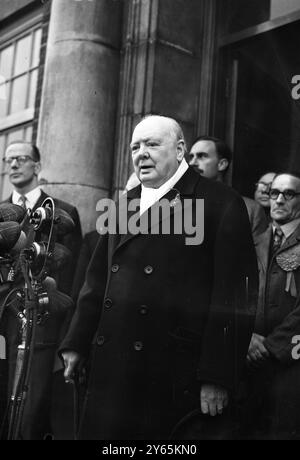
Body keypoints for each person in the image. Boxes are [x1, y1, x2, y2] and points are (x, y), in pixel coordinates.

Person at [60, 115, 258, 440]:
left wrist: (218, 377)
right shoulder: (124, 204)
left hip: (174, 374)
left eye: (152, 144)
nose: (141, 153)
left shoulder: (220, 202)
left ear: (180, 150)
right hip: (112, 368)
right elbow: (95, 283)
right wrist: (76, 342)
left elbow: (234, 297)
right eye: (135, 146)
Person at [1, 141, 82, 439]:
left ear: (37, 166)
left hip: (41, 322)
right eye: (8, 160)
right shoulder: (0, 213)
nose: (12, 165)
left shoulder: (62, 212)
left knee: (32, 407)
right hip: (2, 323)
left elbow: (69, 277)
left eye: (20, 159)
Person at [244, 172, 300, 439]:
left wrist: (270, 345)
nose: (278, 200)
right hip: (249, 360)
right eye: (274, 193)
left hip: (291, 363)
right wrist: (246, 336)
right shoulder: (253, 242)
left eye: (288, 194)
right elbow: (234, 294)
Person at [189, 136, 268, 240]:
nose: (192, 163)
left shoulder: (250, 209)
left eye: (202, 156)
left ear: (221, 164)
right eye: (191, 157)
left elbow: (259, 253)